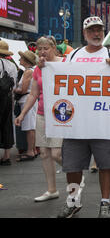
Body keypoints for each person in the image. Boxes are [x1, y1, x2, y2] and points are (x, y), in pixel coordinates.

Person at [55, 17, 110, 218]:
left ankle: (105, 203)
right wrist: (43, 66)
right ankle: (73, 201)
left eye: (99, 30)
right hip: (76, 123)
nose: (96, 34)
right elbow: (58, 77)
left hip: (104, 123)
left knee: (106, 164)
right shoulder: (73, 55)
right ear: (85, 34)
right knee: (72, 166)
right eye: (92, 30)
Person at [14, 36, 65, 203]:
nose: (42, 51)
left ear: (54, 48)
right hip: (43, 113)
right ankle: (51, 189)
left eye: (46, 48)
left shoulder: (66, 63)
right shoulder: (38, 69)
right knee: (44, 153)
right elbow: (34, 94)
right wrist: (22, 114)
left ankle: (75, 174)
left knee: (57, 153)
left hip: (62, 113)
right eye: (39, 49)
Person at [14, 50, 38, 161]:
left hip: (26, 100)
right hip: (29, 100)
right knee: (31, 127)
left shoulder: (28, 72)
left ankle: (30, 151)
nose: (19, 60)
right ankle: (32, 150)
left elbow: (23, 89)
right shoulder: (31, 70)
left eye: (21, 58)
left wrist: (13, 89)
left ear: (26, 60)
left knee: (29, 127)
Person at [0, 41, 18, 166]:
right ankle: (6, 155)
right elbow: (14, 85)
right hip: (7, 98)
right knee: (7, 124)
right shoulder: (12, 65)